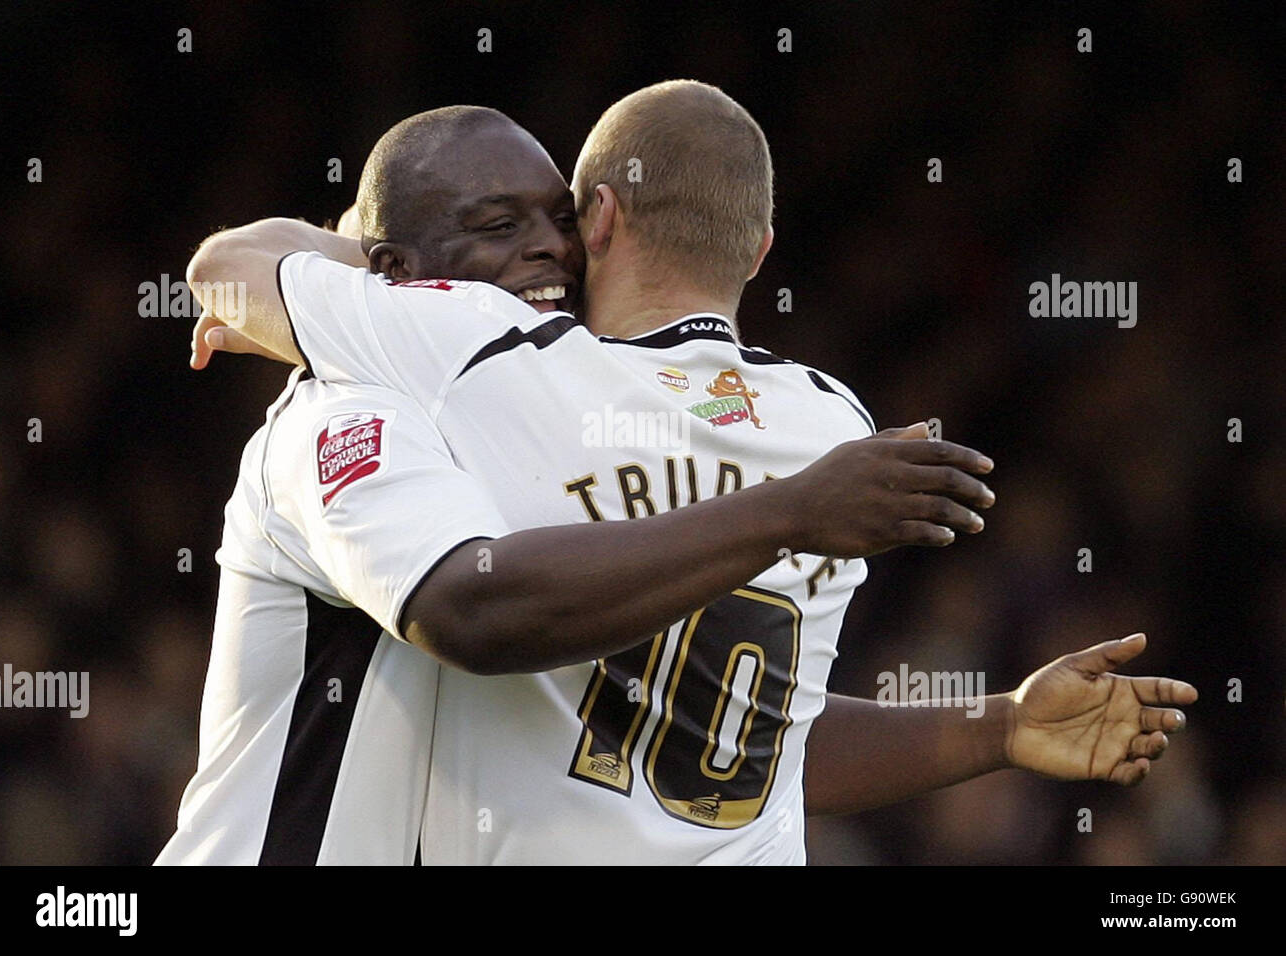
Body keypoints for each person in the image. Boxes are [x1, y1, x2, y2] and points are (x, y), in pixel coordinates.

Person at [177, 85, 1194, 864]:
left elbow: (745, 725)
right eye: (500, 226)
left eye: (558, 221)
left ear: (602, 219)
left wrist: (998, 722)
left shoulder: (503, 372)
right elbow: (471, 611)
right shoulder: (827, 429)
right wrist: (786, 512)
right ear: (757, 249)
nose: (545, 248)